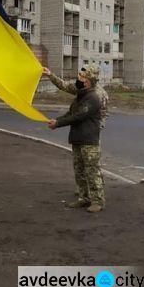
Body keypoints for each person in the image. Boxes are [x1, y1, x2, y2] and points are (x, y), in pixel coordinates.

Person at [46, 67, 105, 213]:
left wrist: (58, 124)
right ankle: (84, 198)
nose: (78, 78)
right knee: (79, 171)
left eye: (81, 77)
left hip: (89, 141)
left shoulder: (93, 97)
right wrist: (57, 120)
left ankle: (98, 201)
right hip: (78, 138)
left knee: (92, 172)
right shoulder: (82, 94)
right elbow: (71, 112)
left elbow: (79, 115)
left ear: (88, 81)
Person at [43, 65, 109, 129]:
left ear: (89, 79)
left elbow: (80, 115)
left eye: (82, 77)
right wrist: (50, 75)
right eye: (80, 76)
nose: (80, 79)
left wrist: (96, 127)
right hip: (80, 129)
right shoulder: (83, 85)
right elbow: (66, 86)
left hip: (90, 131)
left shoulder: (97, 94)